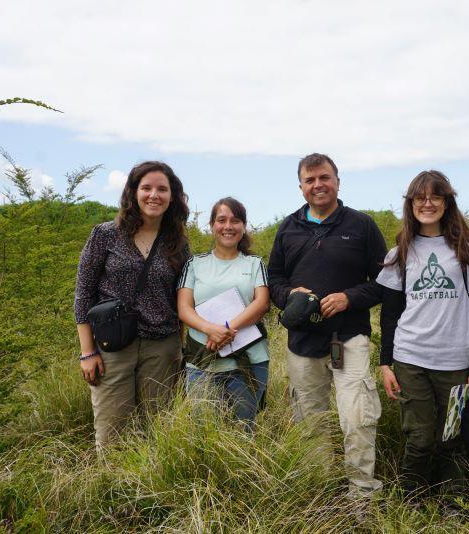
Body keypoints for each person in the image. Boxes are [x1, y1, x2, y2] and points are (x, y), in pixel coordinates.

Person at [267, 153, 387, 496]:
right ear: (301, 186)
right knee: (310, 420)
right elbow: (273, 278)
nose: (317, 185)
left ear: (337, 181)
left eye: (324, 178)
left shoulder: (361, 225)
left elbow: (383, 282)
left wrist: (350, 297)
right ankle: (320, 490)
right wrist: (290, 294)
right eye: (310, 180)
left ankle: (362, 492)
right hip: (302, 342)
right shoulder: (288, 228)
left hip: (349, 338)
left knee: (357, 418)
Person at [376, 170, 469, 495]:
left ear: (447, 202)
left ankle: (454, 503)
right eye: (420, 198)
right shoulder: (399, 253)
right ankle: (409, 499)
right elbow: (390, 313)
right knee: (420, 437)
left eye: (435, 196)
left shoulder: (467, 251)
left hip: (455, 360)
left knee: (451, 435)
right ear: (410, 204)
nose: (427, 203)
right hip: (411, 359)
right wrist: (386, 363)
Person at [75, 160, 191, 446]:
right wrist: (87, 352)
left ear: (172, 196)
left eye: (162, 189)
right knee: (112, 431)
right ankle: (112, 488)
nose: (154, 195)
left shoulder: (177, 242)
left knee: (160, 430)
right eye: (147, 188)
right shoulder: (105, 234)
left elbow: (183, 296)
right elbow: (83, 294)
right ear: (133, 192)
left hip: (162, 346)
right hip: (112, 346)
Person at [177, 197, 270, 429]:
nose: (228, 226)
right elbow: (184, 308)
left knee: (244, 428)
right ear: (212, 226)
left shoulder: (254, 264)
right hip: (202, 360)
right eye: (222, 220)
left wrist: (227, 330)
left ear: (243, 226)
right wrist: (211, 330)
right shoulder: (194, 264)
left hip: (248, 360)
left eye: (235, 221)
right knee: (203, 429)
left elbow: (262, 303)